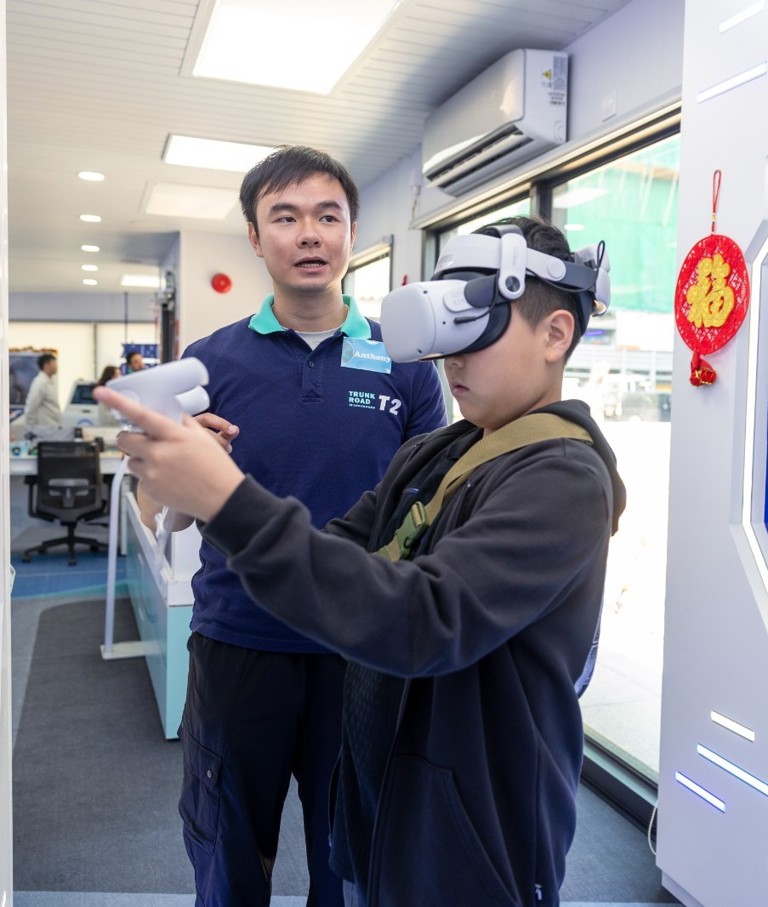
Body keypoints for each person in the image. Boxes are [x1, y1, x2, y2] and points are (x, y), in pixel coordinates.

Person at [97, 215, 625, 907]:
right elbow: (340, 549)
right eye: (449, 338)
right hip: (392, 780)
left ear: (556, 333)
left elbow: (422, 618)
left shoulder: (563, 477)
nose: (453, 361)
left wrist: (226, 500)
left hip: (476, 822)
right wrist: (207, 482)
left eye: (481, 331)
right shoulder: (439, 452)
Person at [134, 145, 447, 906]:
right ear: (255, 235)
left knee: (351, 854)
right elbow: (161, 511)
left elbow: (432, 502)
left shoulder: (407, 362)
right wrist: (187, 472)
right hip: (241, 638)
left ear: (350, 231)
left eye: (327, 216)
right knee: (230, 848)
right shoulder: (212, 359)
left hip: (361, 645)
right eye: (286, 216)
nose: (309, 233)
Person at [24, 352, 62, 428]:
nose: (56, 366)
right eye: (54, 363)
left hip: (53, 427)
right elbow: (31, 406)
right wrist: (30, 427)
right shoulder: (40, 383)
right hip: (43, 429)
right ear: (46, 365)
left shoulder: (50, 382)